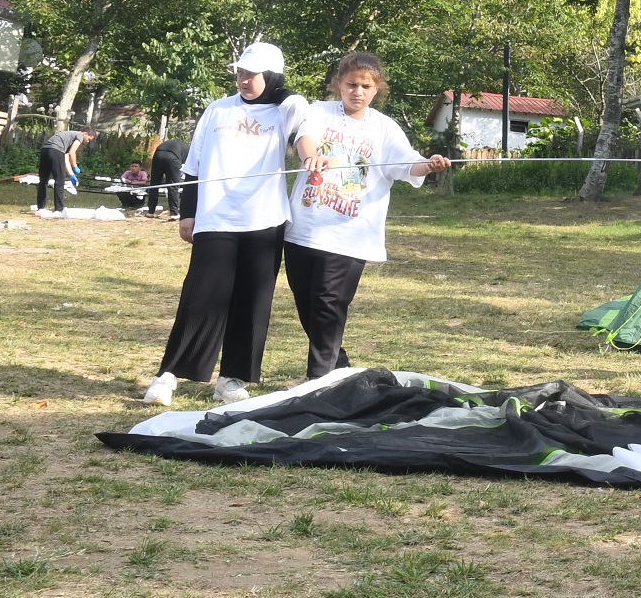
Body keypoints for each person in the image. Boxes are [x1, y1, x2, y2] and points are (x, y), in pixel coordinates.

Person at [143, 43, 310, 407]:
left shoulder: (285, 110)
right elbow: (194, 165)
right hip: (216, 216)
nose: (244, 79)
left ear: (272, 77)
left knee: (253, 301)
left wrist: (280, 92)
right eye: (241, 72)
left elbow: (300, 118)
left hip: (265, 221)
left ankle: (233, 377)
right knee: (200, 295)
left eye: (253, 74)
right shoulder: (218, 109)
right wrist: (188, 212)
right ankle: (168, 374)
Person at [283, 52, 450, 383]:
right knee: (308, 305)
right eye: (351, 84)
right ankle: (338, 365)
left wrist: (428, 164)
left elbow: (407, 164)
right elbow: (305, 138)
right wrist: (311, 155)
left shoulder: (384, 128)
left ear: (376, 90)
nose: (357, 91)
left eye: (365, 86)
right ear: (338, 85)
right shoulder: (319, 111)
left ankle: (318, 382)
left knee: (328, 304)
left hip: (350, 234)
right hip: (303, 227)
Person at [34, 128, 91, 215]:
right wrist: (75, 166)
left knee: (43, 180)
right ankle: (59, 210)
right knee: (59, 181)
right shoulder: (79, 135)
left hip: (45, 150)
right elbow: (72, 152)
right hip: (56, 151)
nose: (88, 141)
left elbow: (65, 158)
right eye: (89, 139)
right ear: (85, 133)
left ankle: (40, 208)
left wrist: (71, 175)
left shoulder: (67, 137)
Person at [146, 137, 189, 216]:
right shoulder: (189, 150)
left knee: (154, 184)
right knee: (173, 185)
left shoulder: (181, 145)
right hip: (172, 157)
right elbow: (186, 167)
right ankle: (174, 213)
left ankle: (150, 211)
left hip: (158, 154)